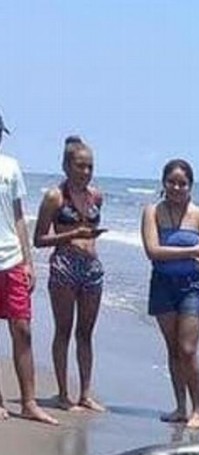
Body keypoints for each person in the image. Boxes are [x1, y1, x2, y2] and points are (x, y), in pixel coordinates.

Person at [141, 159, 199, 429]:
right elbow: (152, 250)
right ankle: (180, 407)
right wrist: (192, 251)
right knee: (173, 349)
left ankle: (198, 409)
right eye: (171, 182)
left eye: (182, 183)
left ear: (190, 186)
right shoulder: (152, 212)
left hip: (193, 287)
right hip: (162, 284)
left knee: (187, 349)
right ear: (164, 183)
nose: (176, 187)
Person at [34, 136, 106, 412]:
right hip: (64, 265)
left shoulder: (96, 196)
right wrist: (73, 234)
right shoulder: (55, 196)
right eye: (80, 166)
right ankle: (63, 394)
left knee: (86, 333)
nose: (86, 172)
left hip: (91, 268)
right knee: (63, 330)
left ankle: (85, 393)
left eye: (90, 167)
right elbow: (38, 239)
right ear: (66, 166)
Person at [0, 112, 58, 424]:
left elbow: (20, 216)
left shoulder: (10, 167)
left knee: (22, 330)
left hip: (11, 259)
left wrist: (27, 260)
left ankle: (29, 402)